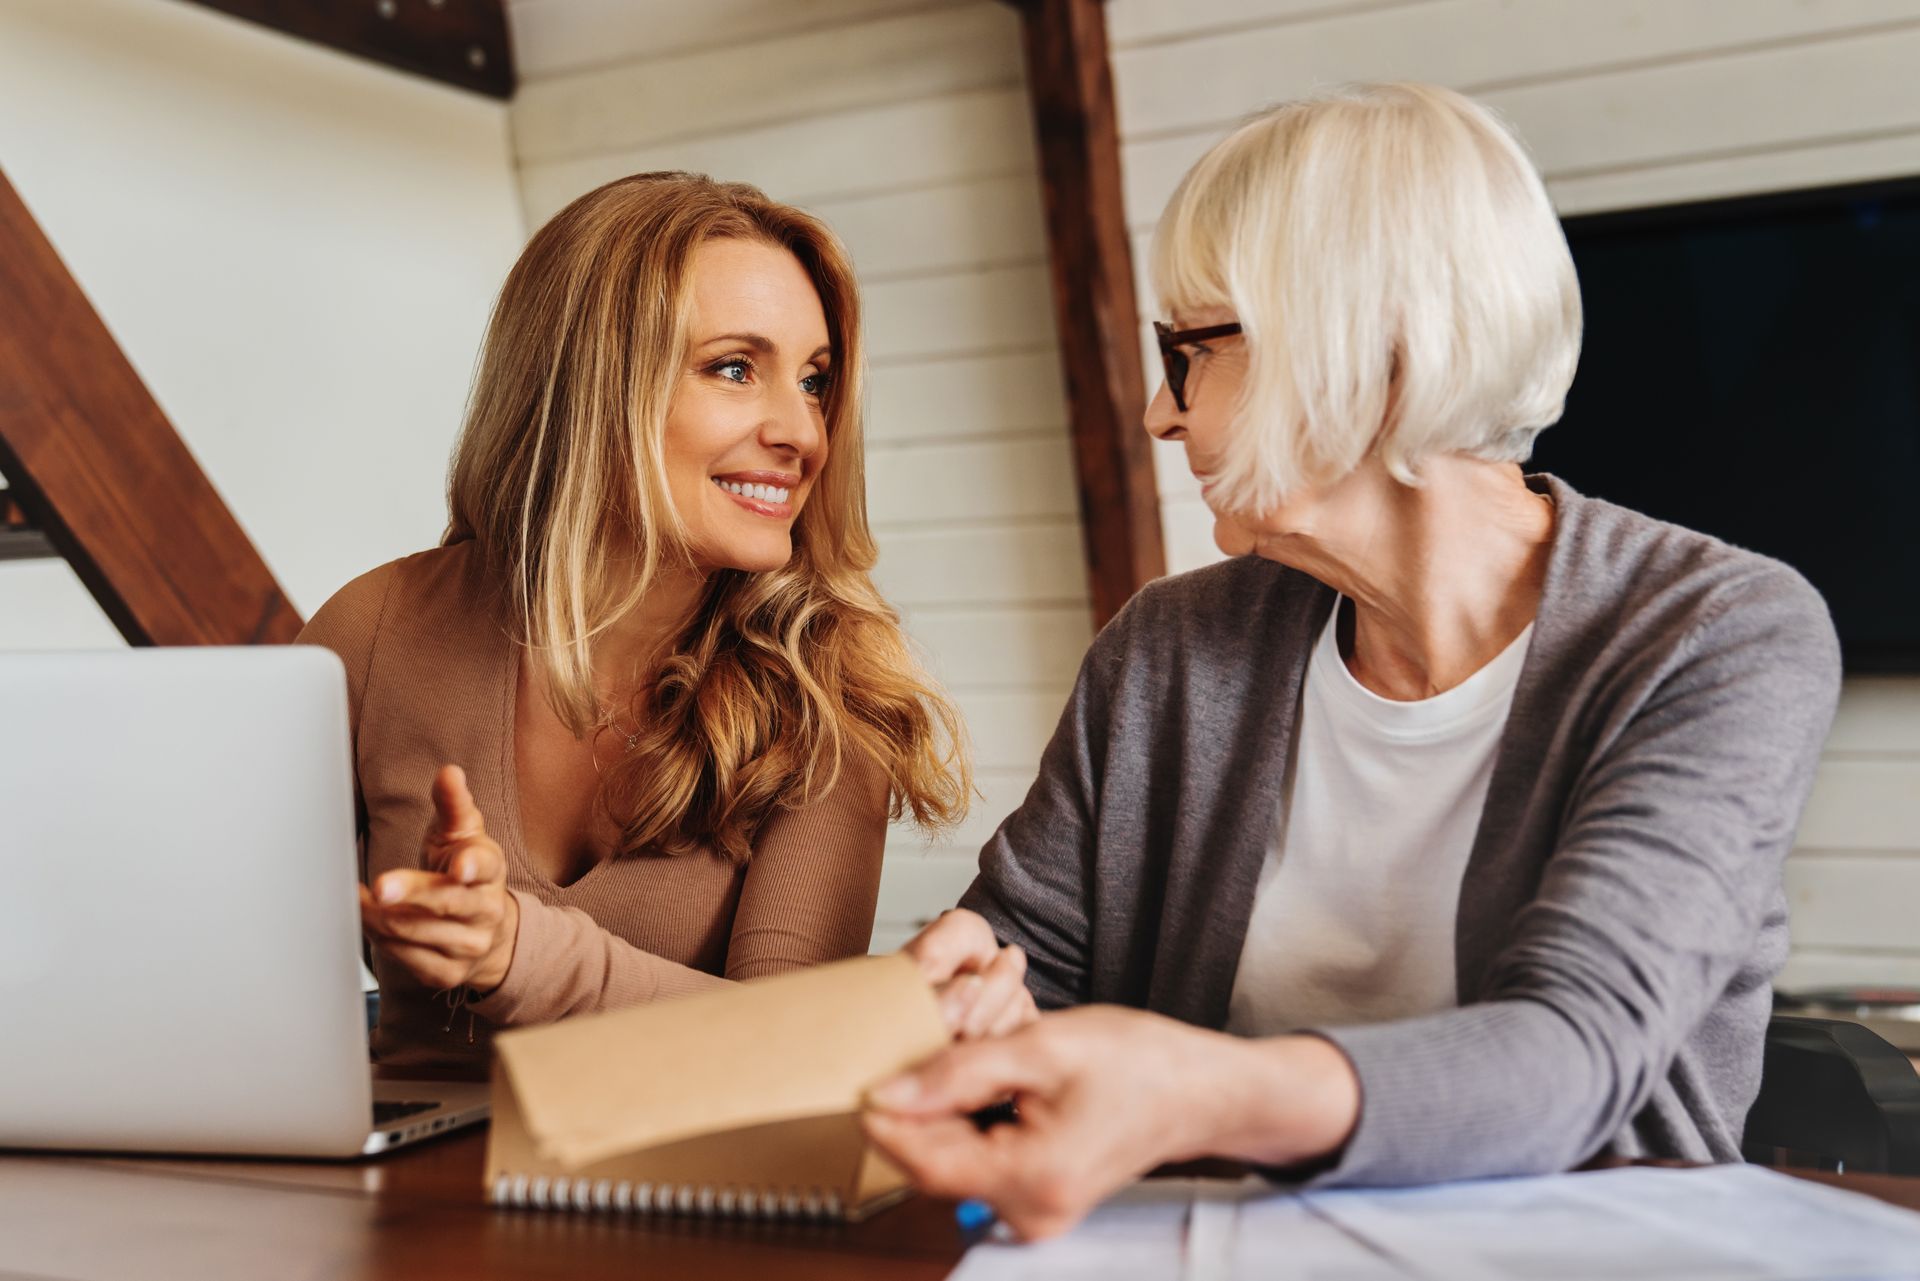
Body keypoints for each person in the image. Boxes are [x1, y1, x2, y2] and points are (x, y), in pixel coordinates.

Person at [865, 83, 1843, 1239]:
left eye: (1190, 351)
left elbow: (1575, 1054)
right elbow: (1032, 979)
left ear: (1369, 356)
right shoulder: (1165, 652)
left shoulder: (1715, 632)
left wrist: (1192, 1093)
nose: (1157, 415)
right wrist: (975, 1004)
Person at [299, 172, 968, 1072]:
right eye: (735, 368)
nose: (803, 432)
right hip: (388, 1194)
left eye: (814, 382)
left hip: (673, 1203)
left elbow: (800, 1052)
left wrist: (515, 951)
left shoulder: (833, 691)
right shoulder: (373, 631)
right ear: (588, 385)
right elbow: (223, 951)